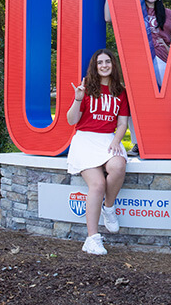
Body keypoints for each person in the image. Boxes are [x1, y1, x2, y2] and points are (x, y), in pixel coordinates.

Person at [66, 48, 129, 255]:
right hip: (85, 139)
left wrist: (117, 141)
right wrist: (77, 99)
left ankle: (108, 208)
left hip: (107, 140)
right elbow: (72, 121)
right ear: (95, 66)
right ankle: (92, 239)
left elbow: (122, 123)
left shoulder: (120, 91)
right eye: (100, 62)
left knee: (118, 165)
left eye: (108, 62)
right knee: (98, 184)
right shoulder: (87, 89)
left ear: (113, 65)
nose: (104, 66)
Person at [126, 0, 171, 157]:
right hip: (138, 62)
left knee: (169, 101)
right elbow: (109, 18)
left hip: (162, 62)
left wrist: (169, 48)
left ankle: (167, 142)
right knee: (134, 101)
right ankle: (138, 142)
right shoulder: (134, 10)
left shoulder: (169, 14)